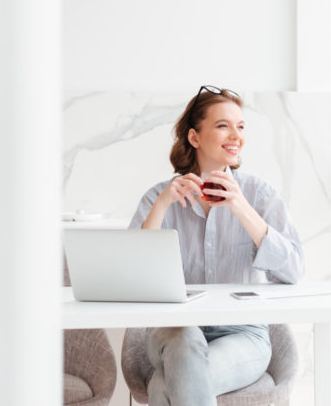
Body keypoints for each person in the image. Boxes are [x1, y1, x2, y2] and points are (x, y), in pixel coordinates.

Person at [129, 85, 305, 406]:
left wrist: (242, 209)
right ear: (195, 138)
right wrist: (164, 204)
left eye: (240, 126)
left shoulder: (258, 195)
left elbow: (293, 270)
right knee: (183, 344)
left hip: (243, 334)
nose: (236, 135)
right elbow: (132, 276)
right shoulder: (159, 197)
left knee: (162, 387)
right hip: (174, 331)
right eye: (223, 125)